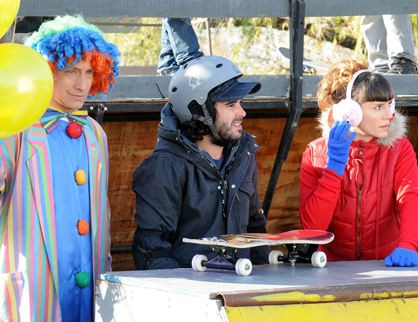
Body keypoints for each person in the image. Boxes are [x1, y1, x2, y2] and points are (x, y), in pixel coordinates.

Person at [0, 15, 120, 321]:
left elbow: (100, 212)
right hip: (34, 293)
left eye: (90, 72)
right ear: (47, 71)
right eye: (71, 72)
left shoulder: (95, 132)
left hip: (91, 286)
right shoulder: (17, 127)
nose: (83, 84)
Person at [132, 55, 269, 270]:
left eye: (240, 103)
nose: (242, 112)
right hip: (192, 295)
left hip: (244, 289)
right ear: (199, 112)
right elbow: (152, 247)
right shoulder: (165, 167)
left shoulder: (245, 154)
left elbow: (254, 226)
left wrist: (266, 278)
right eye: (230, 104)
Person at [299, 59, 418, 267]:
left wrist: (409, 244)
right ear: (350, 112)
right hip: (331, 268)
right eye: (378, 107)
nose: (389, 114)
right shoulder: (315, 153)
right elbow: (313, 229)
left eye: (389, 105)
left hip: (387, 263)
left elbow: (410, 199)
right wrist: (333, 169)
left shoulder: (400, 148)